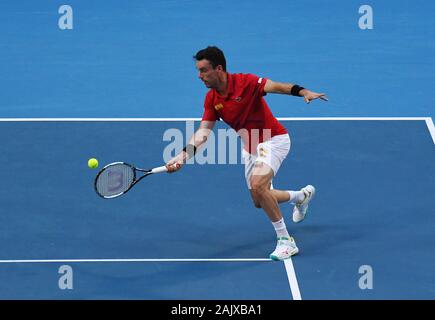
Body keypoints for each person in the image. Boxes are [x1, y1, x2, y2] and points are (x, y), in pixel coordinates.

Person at [166, 46, 327, 260]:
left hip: (273, 139)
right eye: (198, 70)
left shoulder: (247, 82)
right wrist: (182, 156)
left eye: (204, 70)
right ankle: (301, 196)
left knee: (259, 186)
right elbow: (203, 132)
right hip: (250, 147)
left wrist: (303, 91)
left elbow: (277, 87)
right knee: (259, 199)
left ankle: (286, 241)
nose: (199, 76)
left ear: (219, 68)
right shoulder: (212, 99)